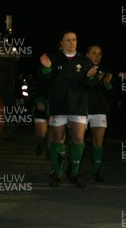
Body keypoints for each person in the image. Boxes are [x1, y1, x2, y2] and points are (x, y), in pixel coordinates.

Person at [40, 32, 97, 187]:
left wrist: (90, 77)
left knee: (78, 139)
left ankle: (74, 173)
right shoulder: (54, 59)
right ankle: (57, 173)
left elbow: (90, 86)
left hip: (78, 106)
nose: (72, 43)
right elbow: (45, 81)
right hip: (58, 105)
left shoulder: (84, 61)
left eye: (74, 40)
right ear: (62, 42)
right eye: (68, 40)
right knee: (59, 139)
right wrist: (46, 69)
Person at [85, 45, 113, 182]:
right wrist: (94, 79)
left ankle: (96, 171)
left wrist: (108, 84)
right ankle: (72, 169)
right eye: (94, 53)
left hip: (100, 110)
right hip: (82, 109)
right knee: (77, 140)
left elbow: (112, 91)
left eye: (99, 53)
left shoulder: (105, 70)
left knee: (98, 141)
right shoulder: (81, 68)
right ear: (87, 55)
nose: (97, 56)